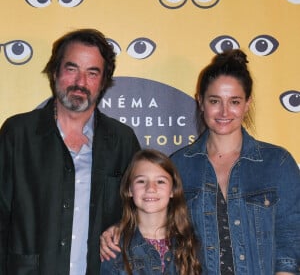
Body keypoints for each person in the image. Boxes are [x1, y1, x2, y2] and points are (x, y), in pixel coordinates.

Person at [99, 49, 300, 274]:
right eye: (215, 100)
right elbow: (156, 221)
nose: (224, 111)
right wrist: (119, 229)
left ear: (247, 103)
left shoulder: (277, 163)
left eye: (234, 101)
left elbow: (291, 238)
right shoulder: (181, 166)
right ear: (201, 101)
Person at [0, 28, 140, 275]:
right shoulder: (18, 133)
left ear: (104, 81)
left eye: (92, 73)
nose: (80, 82)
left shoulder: (122, 140)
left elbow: (142, 210)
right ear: (55, 72)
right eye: (71, 69)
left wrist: (122, 225)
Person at [100, 148, 201, 275]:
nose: (151, 188)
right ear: (129, 190)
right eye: (141, 181)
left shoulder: (189, 243)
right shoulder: (114, 246)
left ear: (172, 191)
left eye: (160, 181)